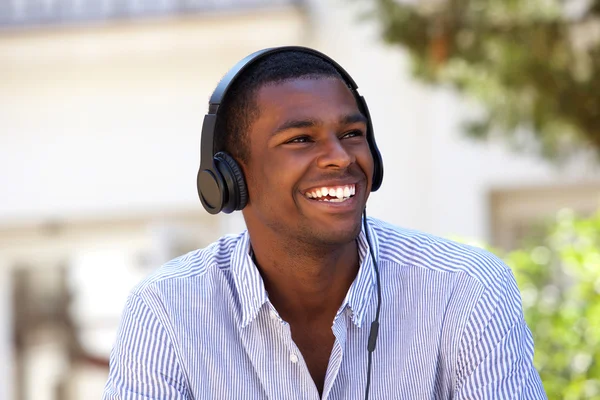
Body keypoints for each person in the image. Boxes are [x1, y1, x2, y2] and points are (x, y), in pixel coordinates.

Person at [102, 47, 547, 399]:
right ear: (230, 178)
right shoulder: (167, 308)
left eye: (352, 134)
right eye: (300, 139)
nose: (340, 156)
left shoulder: (466, 286)